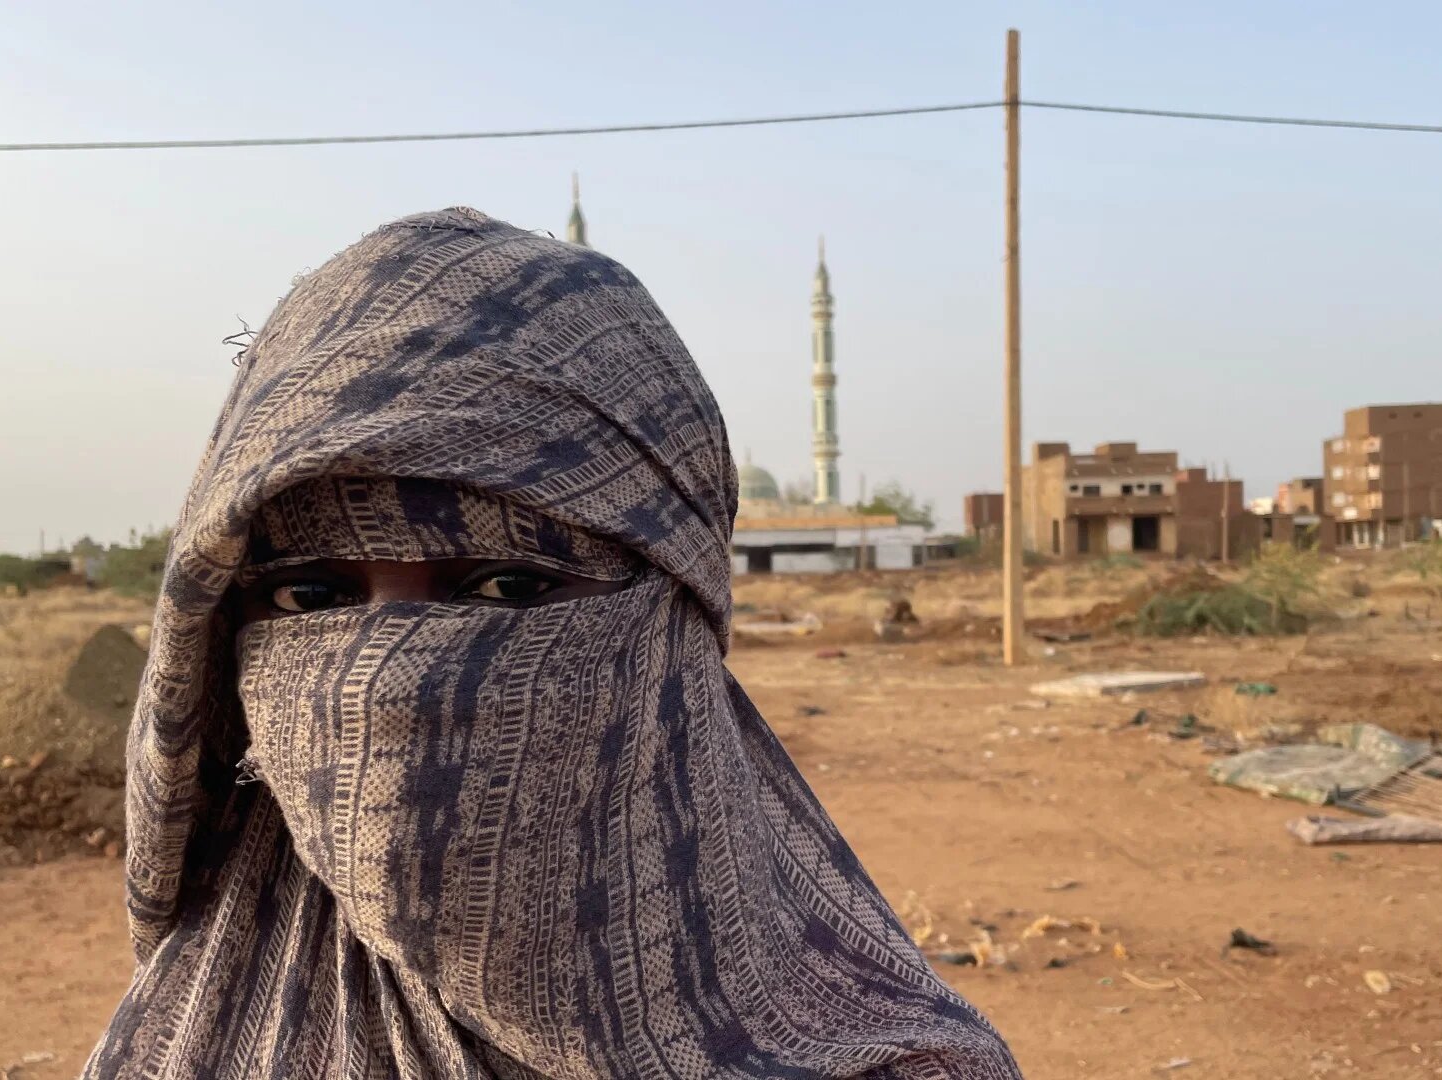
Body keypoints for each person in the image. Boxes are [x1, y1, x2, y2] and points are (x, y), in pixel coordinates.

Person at [86, 208, 1021, 1079]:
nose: (390, 677)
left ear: (667, 623)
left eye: (506, 586)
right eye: (311, 594)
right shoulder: (188, 1037)